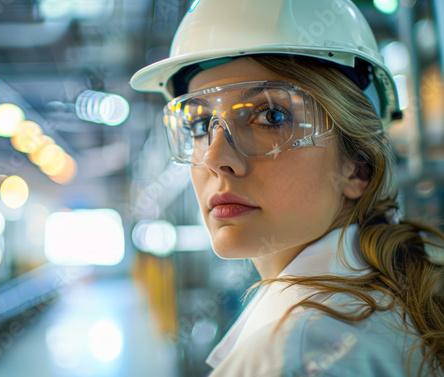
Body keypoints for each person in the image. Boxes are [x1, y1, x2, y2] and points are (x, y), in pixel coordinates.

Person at [130, 0, 444, 376]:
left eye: (271, 116)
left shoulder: (287, 356)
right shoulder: (395, 302)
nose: (215, 158)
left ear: (357, 167)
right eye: (200, 126)